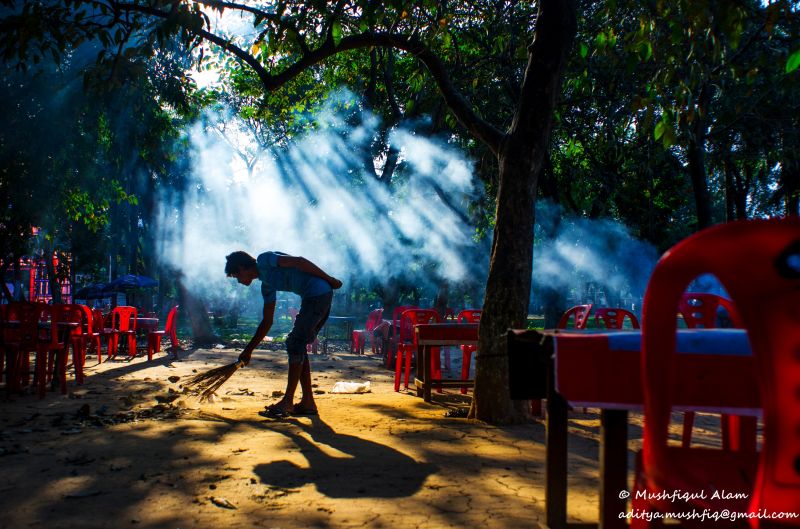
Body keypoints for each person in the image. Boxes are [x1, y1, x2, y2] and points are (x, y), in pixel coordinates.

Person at [225, 251, 342, 418]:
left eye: (237, 275)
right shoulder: (267, 286)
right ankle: (308, 402)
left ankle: (287, 401)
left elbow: (300, 262)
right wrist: (248, 350)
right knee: (297, 344)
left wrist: (330, 279)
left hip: (318, 293)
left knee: (295, 343)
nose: (238, 280)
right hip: (315, 296)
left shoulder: (264, 260)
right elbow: (267, 322)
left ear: (242, 267)